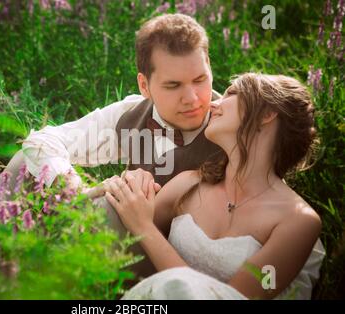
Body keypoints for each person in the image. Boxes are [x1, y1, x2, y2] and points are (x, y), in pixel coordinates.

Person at [0, 14, 223, 278]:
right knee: (24, 164)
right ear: (145, 85)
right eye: (173, 85)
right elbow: (43, 140)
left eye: (199, 79)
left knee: (109, 209)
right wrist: (72, 188)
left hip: (173, 257)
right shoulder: (131, 115)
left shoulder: (234, 120)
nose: (192, 98)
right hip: (120, 240)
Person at [104, 73, 326, 299]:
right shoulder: (188, 184)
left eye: (231, 93)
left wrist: (144, 228)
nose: (213, 103)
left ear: (267, 113)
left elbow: (236, 297)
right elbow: (126, 220)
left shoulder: (299, 221)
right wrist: (132, 183)